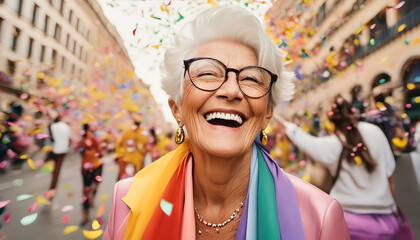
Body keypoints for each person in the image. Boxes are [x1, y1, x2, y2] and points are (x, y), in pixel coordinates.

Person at [103, 6, 349, 240]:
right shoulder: (126, 201)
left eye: (252, 78)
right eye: (207, 73)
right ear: (176, 109)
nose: (232, 90)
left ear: (267, 114)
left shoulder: (320, 217)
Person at [276, 96, 413, 239]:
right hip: (387, 223)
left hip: (352, 226)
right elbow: (390, 178)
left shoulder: (331, 144)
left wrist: (281, 120)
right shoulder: (375, 131)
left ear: (331, 121)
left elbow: (304, 140)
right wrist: (392, 208)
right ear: (352, 111)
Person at [79, 123, 103, 226]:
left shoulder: (82, 139)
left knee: (86, 190)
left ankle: (85, 215)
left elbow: (80, 151)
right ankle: (88, 207)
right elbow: (99, 151)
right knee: (93, 186)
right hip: (95, 166)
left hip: (86, 167)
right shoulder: (93, 137)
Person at [48, 115, 71, 196]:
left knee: (55, 169)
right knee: (57, 169)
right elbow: (69, 138)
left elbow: (51, 138)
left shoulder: (52, 126)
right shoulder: (65, 126)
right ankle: (52, 187)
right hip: (63, 150)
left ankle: (52, 187)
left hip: (55, 150)